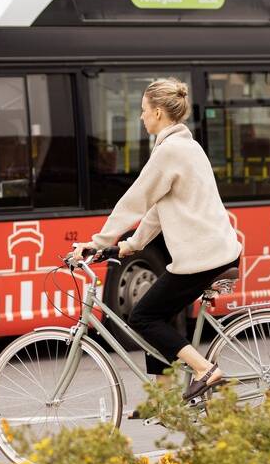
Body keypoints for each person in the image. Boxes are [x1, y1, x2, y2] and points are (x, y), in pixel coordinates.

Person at [78, 77, 241, 403]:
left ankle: (204, 370)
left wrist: (97, 242)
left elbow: (135, 201)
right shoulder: (187, 147)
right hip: (218, 253)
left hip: (203, 258)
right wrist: (130, 244)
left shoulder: (170, 152)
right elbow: (156, 208)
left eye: (143, 110)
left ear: (157, 113)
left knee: (142, 316)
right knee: (158, 311)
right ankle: (164, 399)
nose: (141, 117)